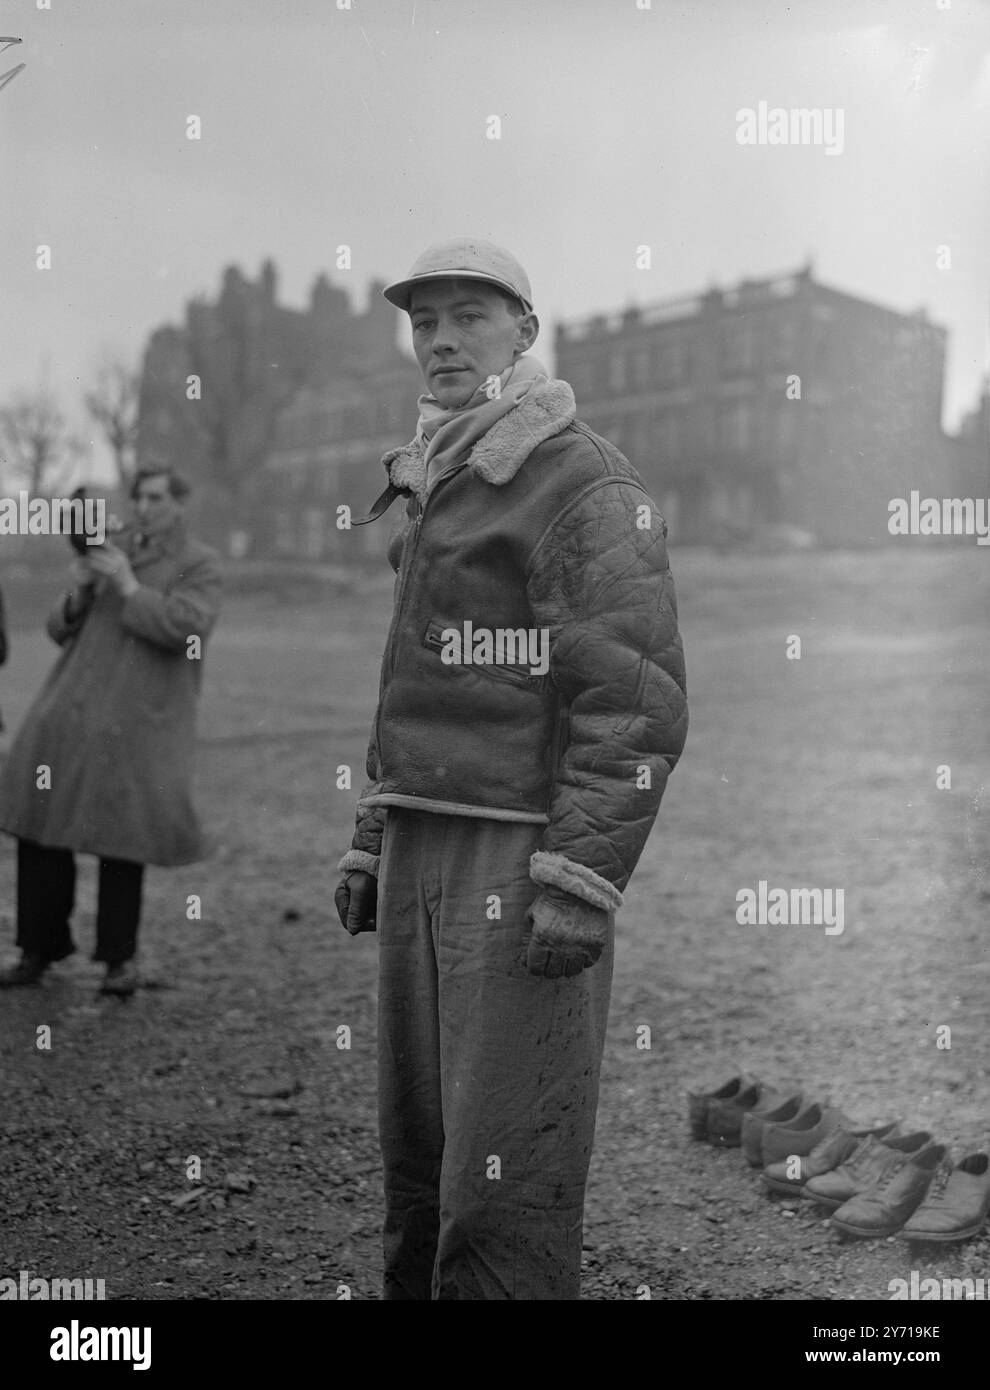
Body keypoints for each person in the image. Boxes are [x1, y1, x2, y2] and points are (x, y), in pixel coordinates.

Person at [334, 237, 689, 1300]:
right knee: (420, 1145)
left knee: (506, 1161)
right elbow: (413, 679)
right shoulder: (436, 468)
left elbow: (632, 701)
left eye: (468, 316)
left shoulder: (578, 477)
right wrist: (370, 833)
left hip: (517, 852)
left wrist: (581, 878)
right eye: (424, 320)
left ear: (526, 332)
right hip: (420, 843)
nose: (440, 339)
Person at [0, 467, 222, 996]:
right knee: (42, 823)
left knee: (123, 836)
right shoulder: (114, 545)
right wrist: (78, 592)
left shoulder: (200, 563)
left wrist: (127, 586)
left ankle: (119, 961)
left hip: (137, 721)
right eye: (138, 496)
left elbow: (187, 629)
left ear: (180, 504)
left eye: (156, 497)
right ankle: (38, 947)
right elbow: (58, 629)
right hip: (71, 712)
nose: (144, 507)